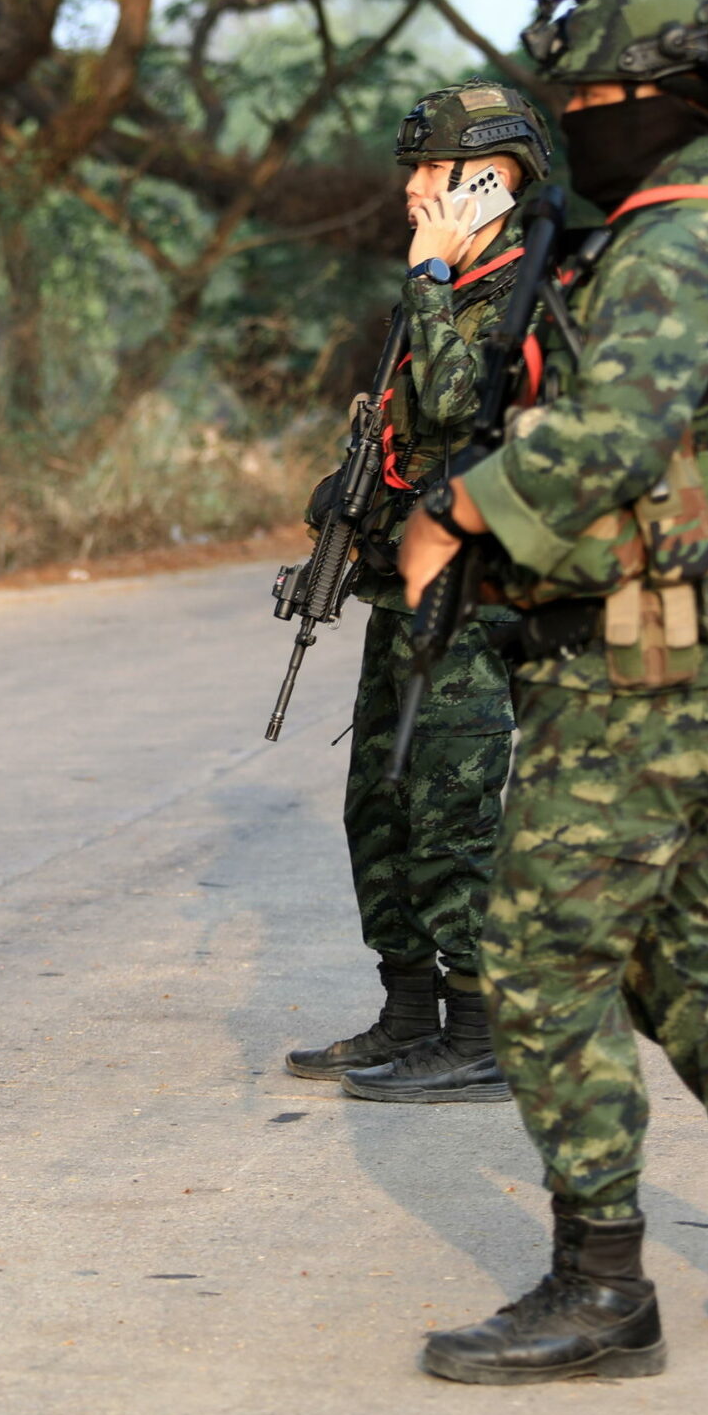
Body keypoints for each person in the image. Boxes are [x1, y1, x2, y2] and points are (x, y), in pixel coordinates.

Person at [399, 0, 708, 1383]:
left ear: (650, 103)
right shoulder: (653, 232)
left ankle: (600, 1287)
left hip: (649, 664)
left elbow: (611, 439)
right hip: (647, 647)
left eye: (585, 107)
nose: (571, 129)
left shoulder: (683, 241)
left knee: (542, 952)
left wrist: (458, 514)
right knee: (663, 949)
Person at [284, 83, 548, 1105]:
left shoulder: (515, 288)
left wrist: (431, 278)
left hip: (473, 603)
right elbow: (408, 433)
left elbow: (454, 404)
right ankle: (405, 1012)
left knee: (451, 812)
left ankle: (477, 1028)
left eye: (428, 171)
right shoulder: (441, 287)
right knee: (379, 805)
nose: (408, 189)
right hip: (404, 593)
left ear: (487, 178)